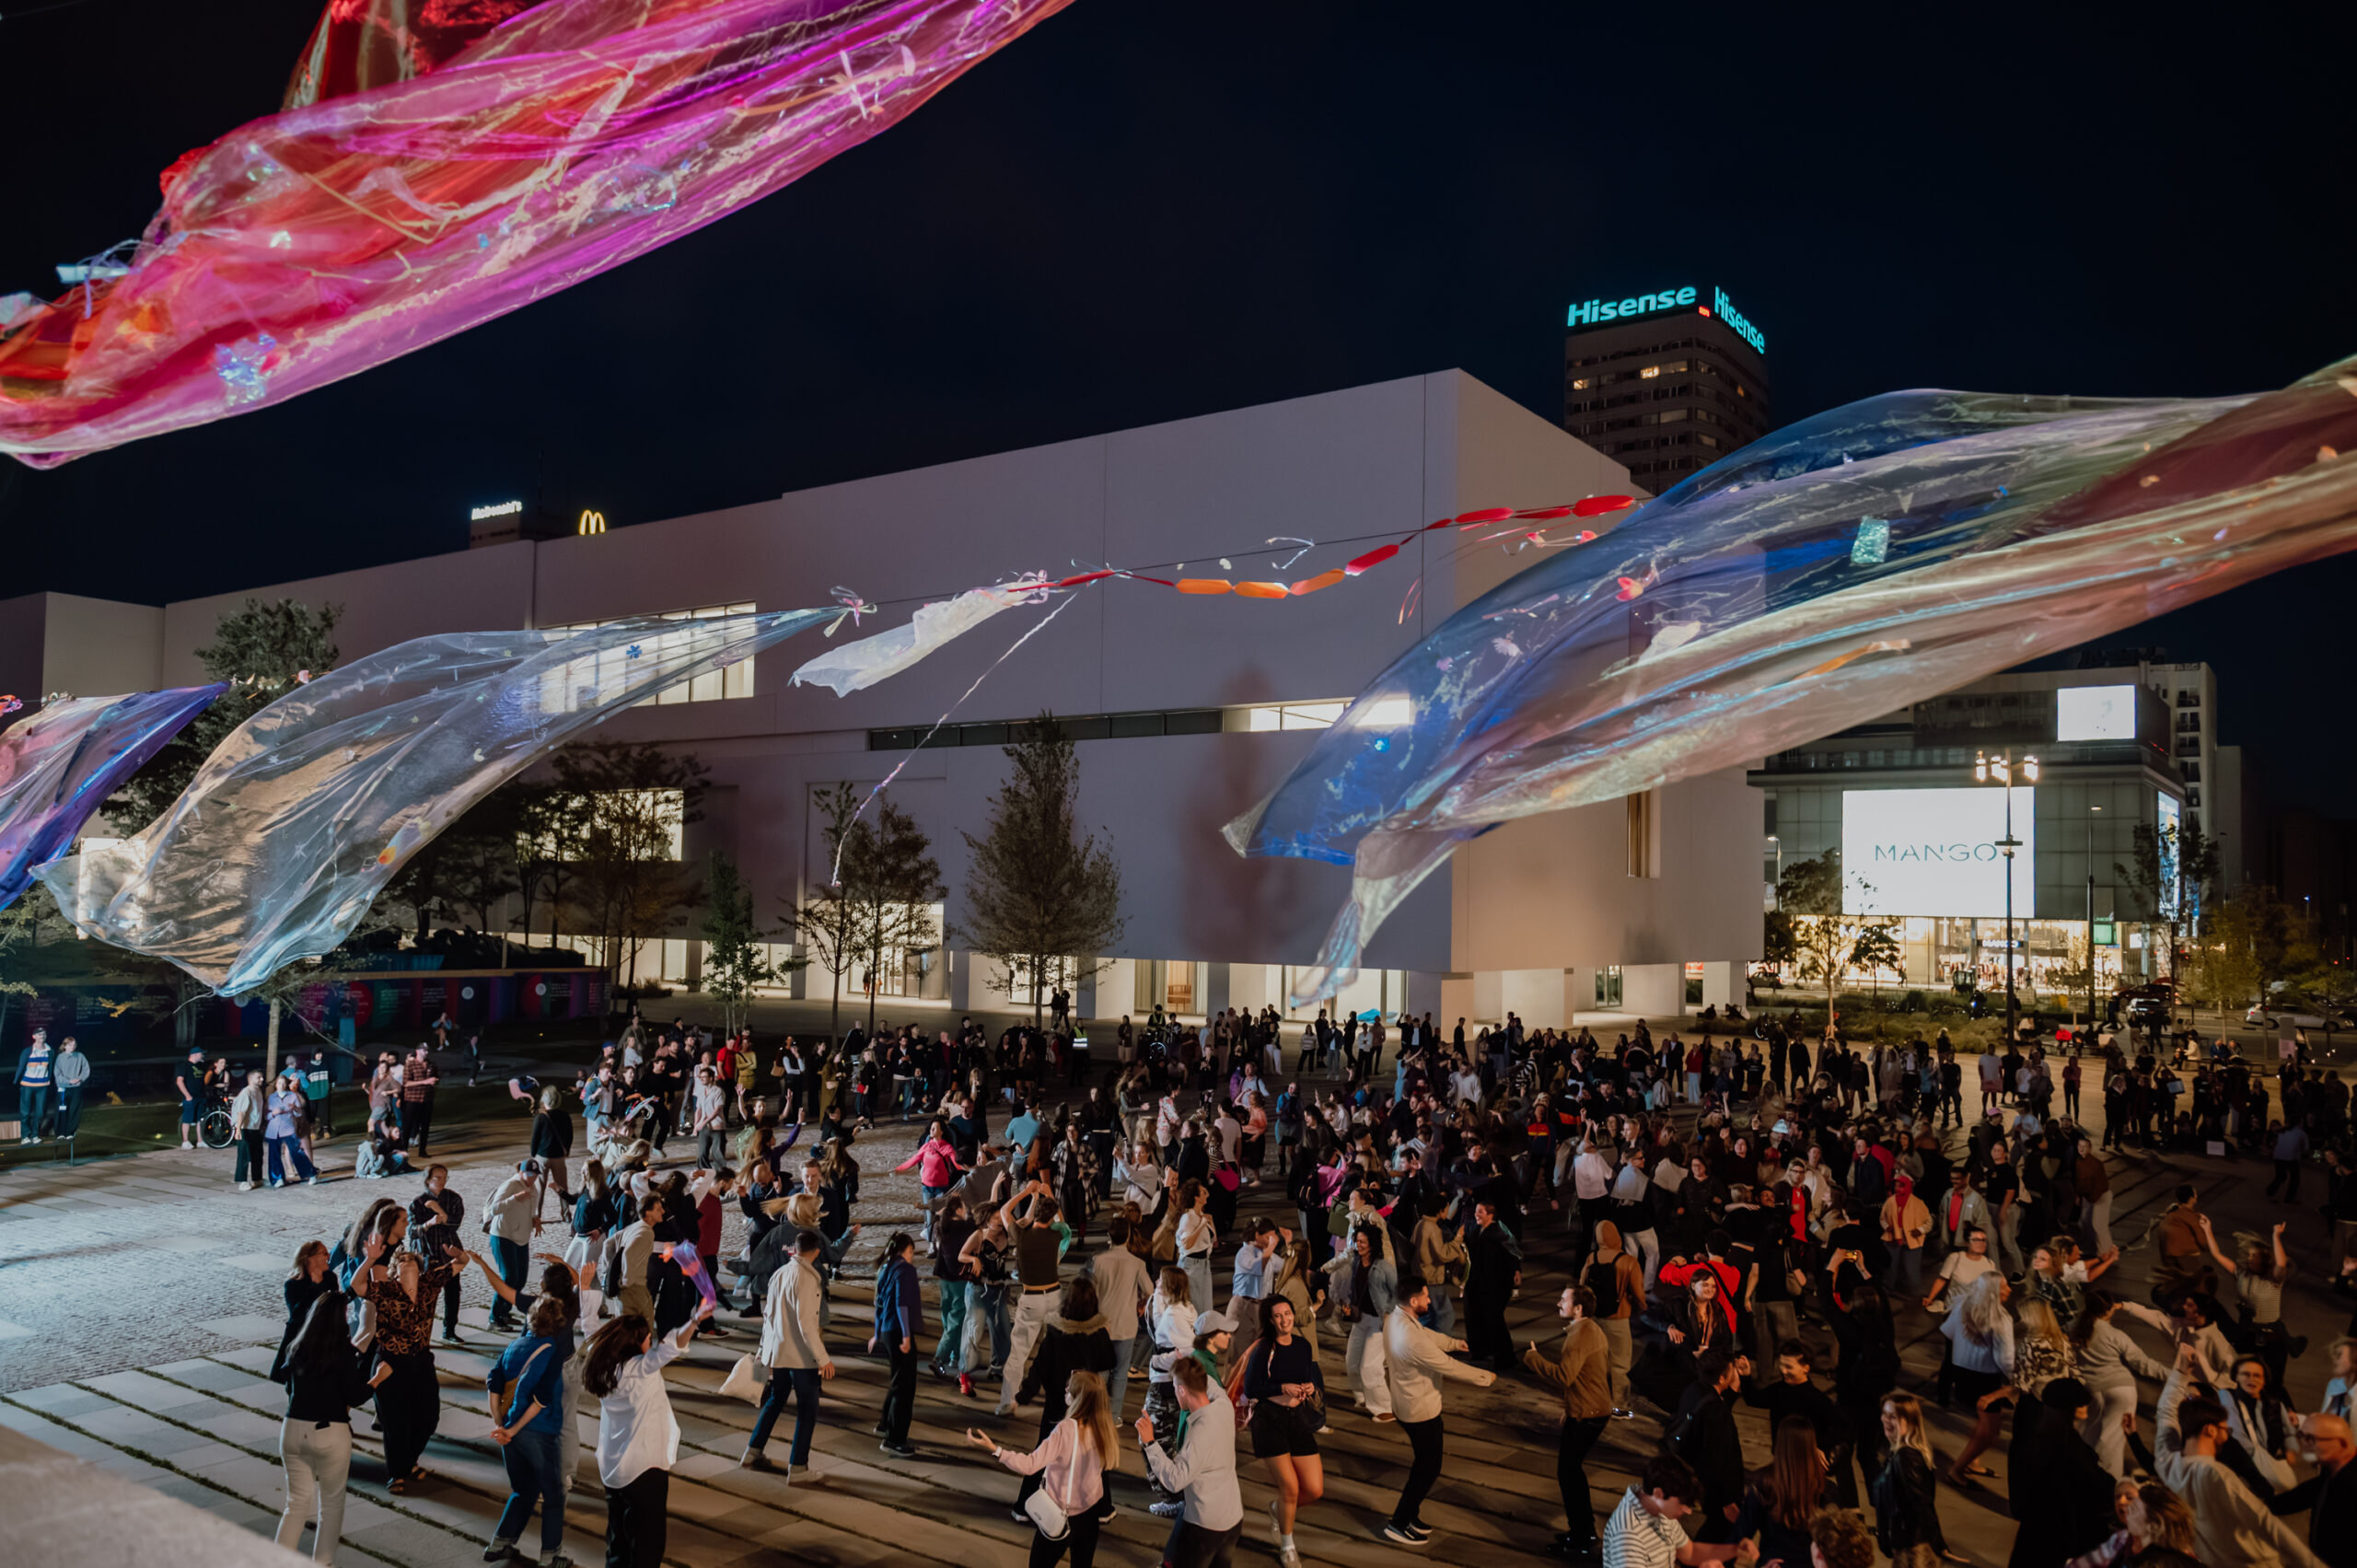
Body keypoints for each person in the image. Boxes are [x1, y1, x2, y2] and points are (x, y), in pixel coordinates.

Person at [2149, 1357, 2327, 1568]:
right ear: (2211, 1430)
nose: (2229, 1432)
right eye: (2226, 1428)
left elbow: (2166, 1414)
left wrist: (2179, 1372)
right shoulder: (2217, 1475)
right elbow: (2266, 1524)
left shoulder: (2167, 1463)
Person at [585, 1304, 708, 1568]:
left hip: (612, 1469)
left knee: (617, 1541)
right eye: (648, 1340)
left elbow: (589, 1329)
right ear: (635, 1344)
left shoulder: (605, 1368)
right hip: (643, 1469)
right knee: (647, 1546)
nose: (651, 1344)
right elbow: (671, 1347)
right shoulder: (640, 1370)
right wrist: (695, 1320)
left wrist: (586, 1292)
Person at [1379, 1272, 1496, 1544]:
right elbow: (1447, 1365)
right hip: (1420, 1410)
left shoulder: (1396, 1318)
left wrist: (1454, 1343)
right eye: (1425, 1296)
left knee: (1425, 1465)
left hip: (1407, 1403)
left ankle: (1410, 1516)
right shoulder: (1410, 1338)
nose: (1430, 1301)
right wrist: (1483, 1377)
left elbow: (1428, 1335)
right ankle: (1399, 1522)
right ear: (1413, 1300)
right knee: (1428, 1468)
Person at [275, 1292, 388, 1563]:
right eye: (347, 1313)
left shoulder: (296, 1347)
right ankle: (322, 1562)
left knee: (296, 1503)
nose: (349, 1316)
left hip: (292, 1429)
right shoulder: (342, 1351)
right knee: (331, 1504)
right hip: (329, 1431)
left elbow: (289, 1386)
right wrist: (376, 1380)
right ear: (339, 1318)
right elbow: (354, 1395)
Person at [971, 1369, 1121, 1568]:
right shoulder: (1104, 1428)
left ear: (1080, 1400)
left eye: (1071, 1390)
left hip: (1060, 1516)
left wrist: (996, 1450)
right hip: (1090, 1515)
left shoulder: (1066, 1430)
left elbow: (1030, 1465)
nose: (1065, 1389)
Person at [482, 1295, 573, 1568]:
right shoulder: (553, 1352)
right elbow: (540, 1399)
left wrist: (501, 1424)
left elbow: (494, 1382)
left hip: (510, 1431)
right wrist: (514, 1429)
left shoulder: (515, 1345)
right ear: (557, 1324)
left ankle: (500, 1544)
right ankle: (551, 1557)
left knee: (523, 1489)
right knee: (554, 1494)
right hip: (538, 1431)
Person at [1527, 1284, 1613, 1563]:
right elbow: (1586, 1377)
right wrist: (1570, 1407)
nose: (1558, 1303)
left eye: (1564, 1300)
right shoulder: (1588, 1329)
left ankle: (1582, 1538)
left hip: (1587, 1415)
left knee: (1569, 1474)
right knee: (1571, 1473)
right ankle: (1582, 1532)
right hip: (1587, 1411)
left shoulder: (1581, 1335)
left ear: (1578, 1308)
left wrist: (1533, 1359)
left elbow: (1565, 1376)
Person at [1241, 1295, 1326, 1566]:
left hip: (1297, 1418)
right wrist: (1281, 1388)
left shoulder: (1302, 1345)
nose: (1284, 1319)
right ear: (1270, 1320)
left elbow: (1306, 1376)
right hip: (1269, 1421)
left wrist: (1308, 1387)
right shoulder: (1263, 1349)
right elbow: (1251, 1389)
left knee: (1313, 1490)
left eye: (1287, 1313)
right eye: (1278, 1316)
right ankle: (1287, 1546)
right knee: (1289, 1486)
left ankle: (1278, 1510)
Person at [744, 1229, 836, 1477]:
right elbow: (807, 1325)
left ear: (794, 1249)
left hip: (779, 1350)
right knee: (808, 1408)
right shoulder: (806, 1279)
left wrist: (764, 1351)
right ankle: (798, 1467)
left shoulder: (780, 1274)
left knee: (776, 1398)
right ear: (816, 1252)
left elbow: (768, 1316)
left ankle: (753, 1451)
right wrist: (823, 1359)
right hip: (800, 1356)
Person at [1136, 1356, 1243, 1568]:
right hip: (1233, 1518)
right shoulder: (1223, 1406)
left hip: (1205, 1526)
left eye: (1176, 1388)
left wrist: (1150, 1443)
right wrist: (1186, 1364)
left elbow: (1176, 1479)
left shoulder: (1200, 1432)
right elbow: (1211, 1386)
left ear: (1182, 1390)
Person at [1596, 1451, 1756, 1566]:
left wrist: (1736, 1550)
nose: (1688, 1511)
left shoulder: (1658, 1510)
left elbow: (1691, 1552)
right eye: (1682, 1503)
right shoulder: (1628, 1538)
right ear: (1658, 1493)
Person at [998, 1179, 1067, 1418]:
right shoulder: (1056, 1236)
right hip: (1055, 1295)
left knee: (1018, 1353)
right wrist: (1050, 1195)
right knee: (1058, 1349)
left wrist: (1027, 1192)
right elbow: (1063, 1224)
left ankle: (1008, 1401)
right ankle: (1061, 1396)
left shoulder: (1021, 1236)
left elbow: (1004, 1211)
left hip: (1032, 1298)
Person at [1324, 1222, 1398, 1421]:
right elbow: (1354, 1289)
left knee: (1370, 1366)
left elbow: (1396, 1293)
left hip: (1379, 1323)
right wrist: (1348, 1304)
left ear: (1373, 1244)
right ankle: (1362, 1396)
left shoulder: (1384, 1267)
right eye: (1357, 1241)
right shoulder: (1356, 1263)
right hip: (1361, 1318)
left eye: (1363, 1242)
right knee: (1352, 1362)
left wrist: (1390, 1317)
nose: (1359, 1245)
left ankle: (1384, 1408)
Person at [1733, 1418, 1828, 1568]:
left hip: (1772, 1564)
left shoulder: (1764, 1485)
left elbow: (1740, 1536)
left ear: (1780, 1444)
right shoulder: (1824, 1488)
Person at [2268, 1412, 2357, 1568]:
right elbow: (2307, 1493)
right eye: (2301, 1435)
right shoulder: (2332, 1469)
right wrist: (2264, 1506)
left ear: (2342, 1444)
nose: (2303, 1444)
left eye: (2311, 1439)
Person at [1870, 1392, 1951, 1563]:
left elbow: (1921, 1502)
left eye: (1893, 1417)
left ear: (1911, 1421)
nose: (1885, 1419)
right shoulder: (1897, 1453)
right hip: (1905, 1543)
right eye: (1884, 1413)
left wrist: (1938, 1544)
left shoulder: (1907, 1456)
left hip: (1913, 1548)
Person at [1087, 1215, 1153, 1419]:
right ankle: (1114, 1415)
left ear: (1109, 1236)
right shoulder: (1137, 1263)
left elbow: (1090, 1291)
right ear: (1128, 1237)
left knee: (1100, 1372)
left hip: (1101, 1324)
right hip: (1126, 1324)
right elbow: (1150, 1290)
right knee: (1120, 1373)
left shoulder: (1098, 1261)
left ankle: (1096, 1412)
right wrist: (1141, 1302)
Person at [872, 1230, 923, 1458]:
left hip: (886, 1330)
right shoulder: (905, 1270)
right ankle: (895, 1438)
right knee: (905, 1386)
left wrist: (876, 1334)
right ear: (907, 1250)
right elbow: (902, 1303)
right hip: (899, 1330)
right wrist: (906, 1335)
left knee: (897, 1378)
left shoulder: (885, 1268)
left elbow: (879, 1303)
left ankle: (885, 1422)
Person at [230, 1069, 269, 1190]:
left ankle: (257, 1179)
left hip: (255, 1128)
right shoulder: (246, 1093)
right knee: (244, 1156)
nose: (261, 1079)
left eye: (262, 1077)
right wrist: (238, 1130)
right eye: (259, 1077)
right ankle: (242, 1181)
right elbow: (241, 1112)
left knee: (258, 1155)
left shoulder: (258, 1091)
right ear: (251, 1079)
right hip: (245, 1128)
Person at [13, 1027, 52, 1144]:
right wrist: (18, 1082)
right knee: (25, 1112)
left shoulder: (50, 1051)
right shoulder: (27, 1051)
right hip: (27, 1085)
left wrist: (49, 1080)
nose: (42, 1036)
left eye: (44, 1034)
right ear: (34, 1037)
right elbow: (21, 1067)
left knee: (40, 1112)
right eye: (39, 1034)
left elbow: (51, 1067)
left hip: (42, 1085)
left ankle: (35, 1135)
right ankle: (25, 1136)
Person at [51, 1035, 88, 1141]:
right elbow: (57, 1074)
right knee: (62, 1110)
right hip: (63, 1088)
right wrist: (68, 1081)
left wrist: (80, 1079)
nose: (73, 1047)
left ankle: (70, 1132)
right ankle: (60, 1132)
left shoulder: (80, 1056)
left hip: (76, 1087)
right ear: (65, 1046)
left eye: (74, 1045)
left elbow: (86, 1069)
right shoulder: (60, 1058)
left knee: (74, 1110)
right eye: (70, 1045)